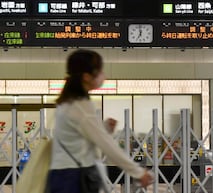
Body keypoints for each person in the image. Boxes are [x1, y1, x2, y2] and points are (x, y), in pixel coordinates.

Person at [47, 49, 153, 193]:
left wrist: (103, 127)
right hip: (74, 178)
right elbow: (105, 144)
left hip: (62, 175)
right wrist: (137, 171)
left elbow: (81, 138)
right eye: (99, 71)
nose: (103, 76)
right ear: (86, 76)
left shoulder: (67, 102)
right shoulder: (81, 106)